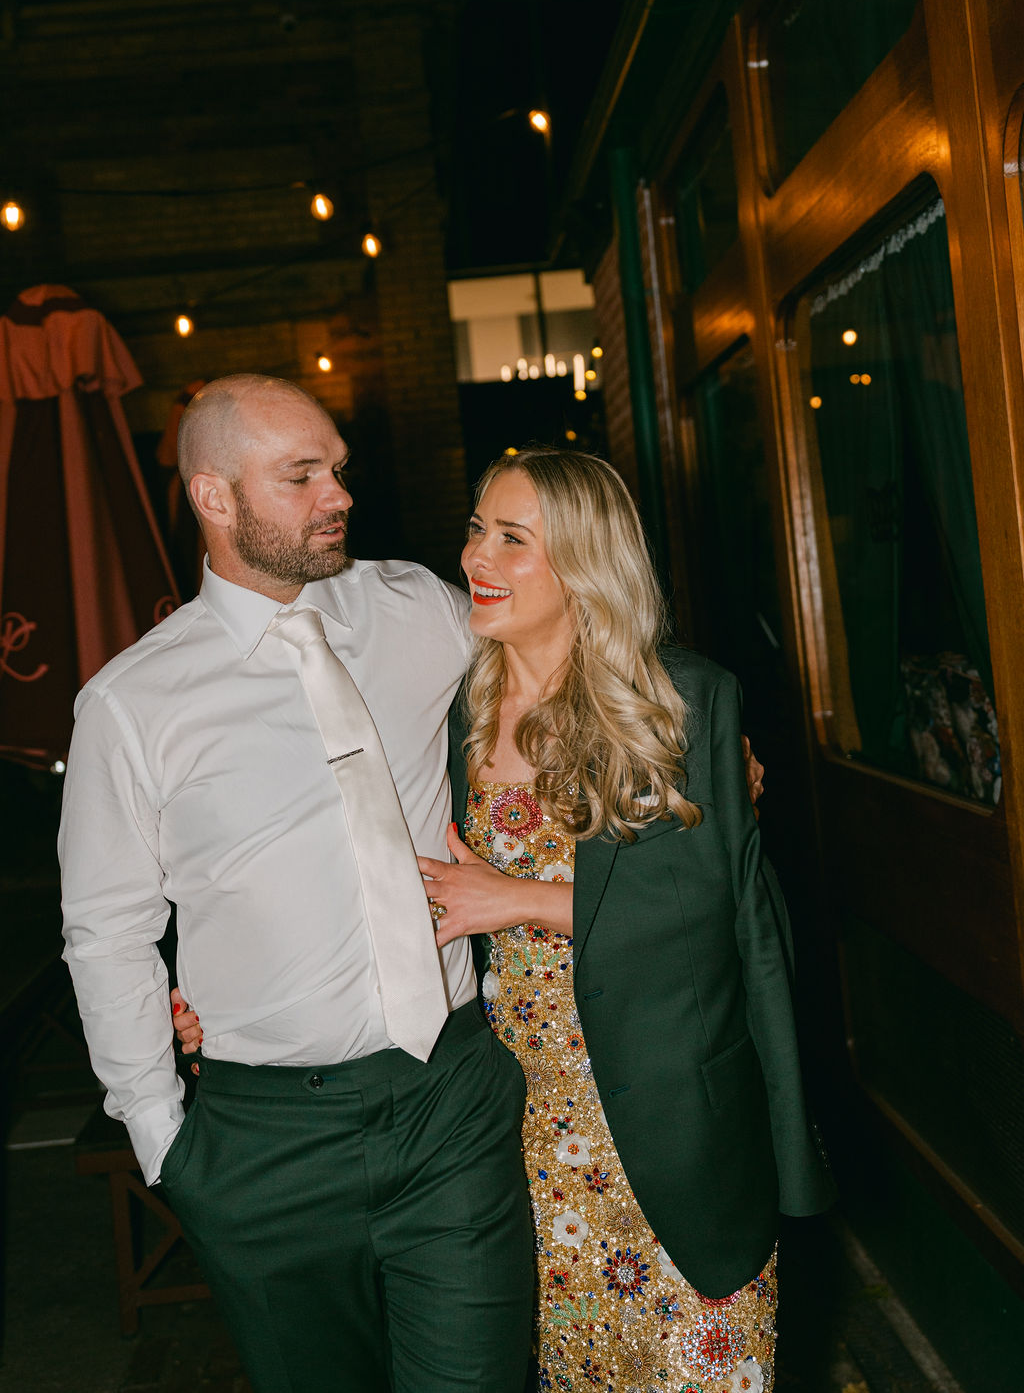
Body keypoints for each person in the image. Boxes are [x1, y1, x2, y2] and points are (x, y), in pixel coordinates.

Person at [59, 375, 535, 1393]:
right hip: (264, 1139)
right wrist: (162, 1137)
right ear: (214, 497)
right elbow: (106, 932)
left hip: (451, 1101)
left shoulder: (417, 605)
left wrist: (696, 739)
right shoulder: (131, 703)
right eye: (301, 475)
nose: (339, 495)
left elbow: (559, 664)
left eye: (338, 469)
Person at [410, 450, 833, 1392]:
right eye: (477, 529)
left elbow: (709, 915)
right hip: (523, 1130)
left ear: (585, 562)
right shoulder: (458, 707)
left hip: (670, 1116)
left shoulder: (674, 700)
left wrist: (515, 897)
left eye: (512, 538)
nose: (478, 555)